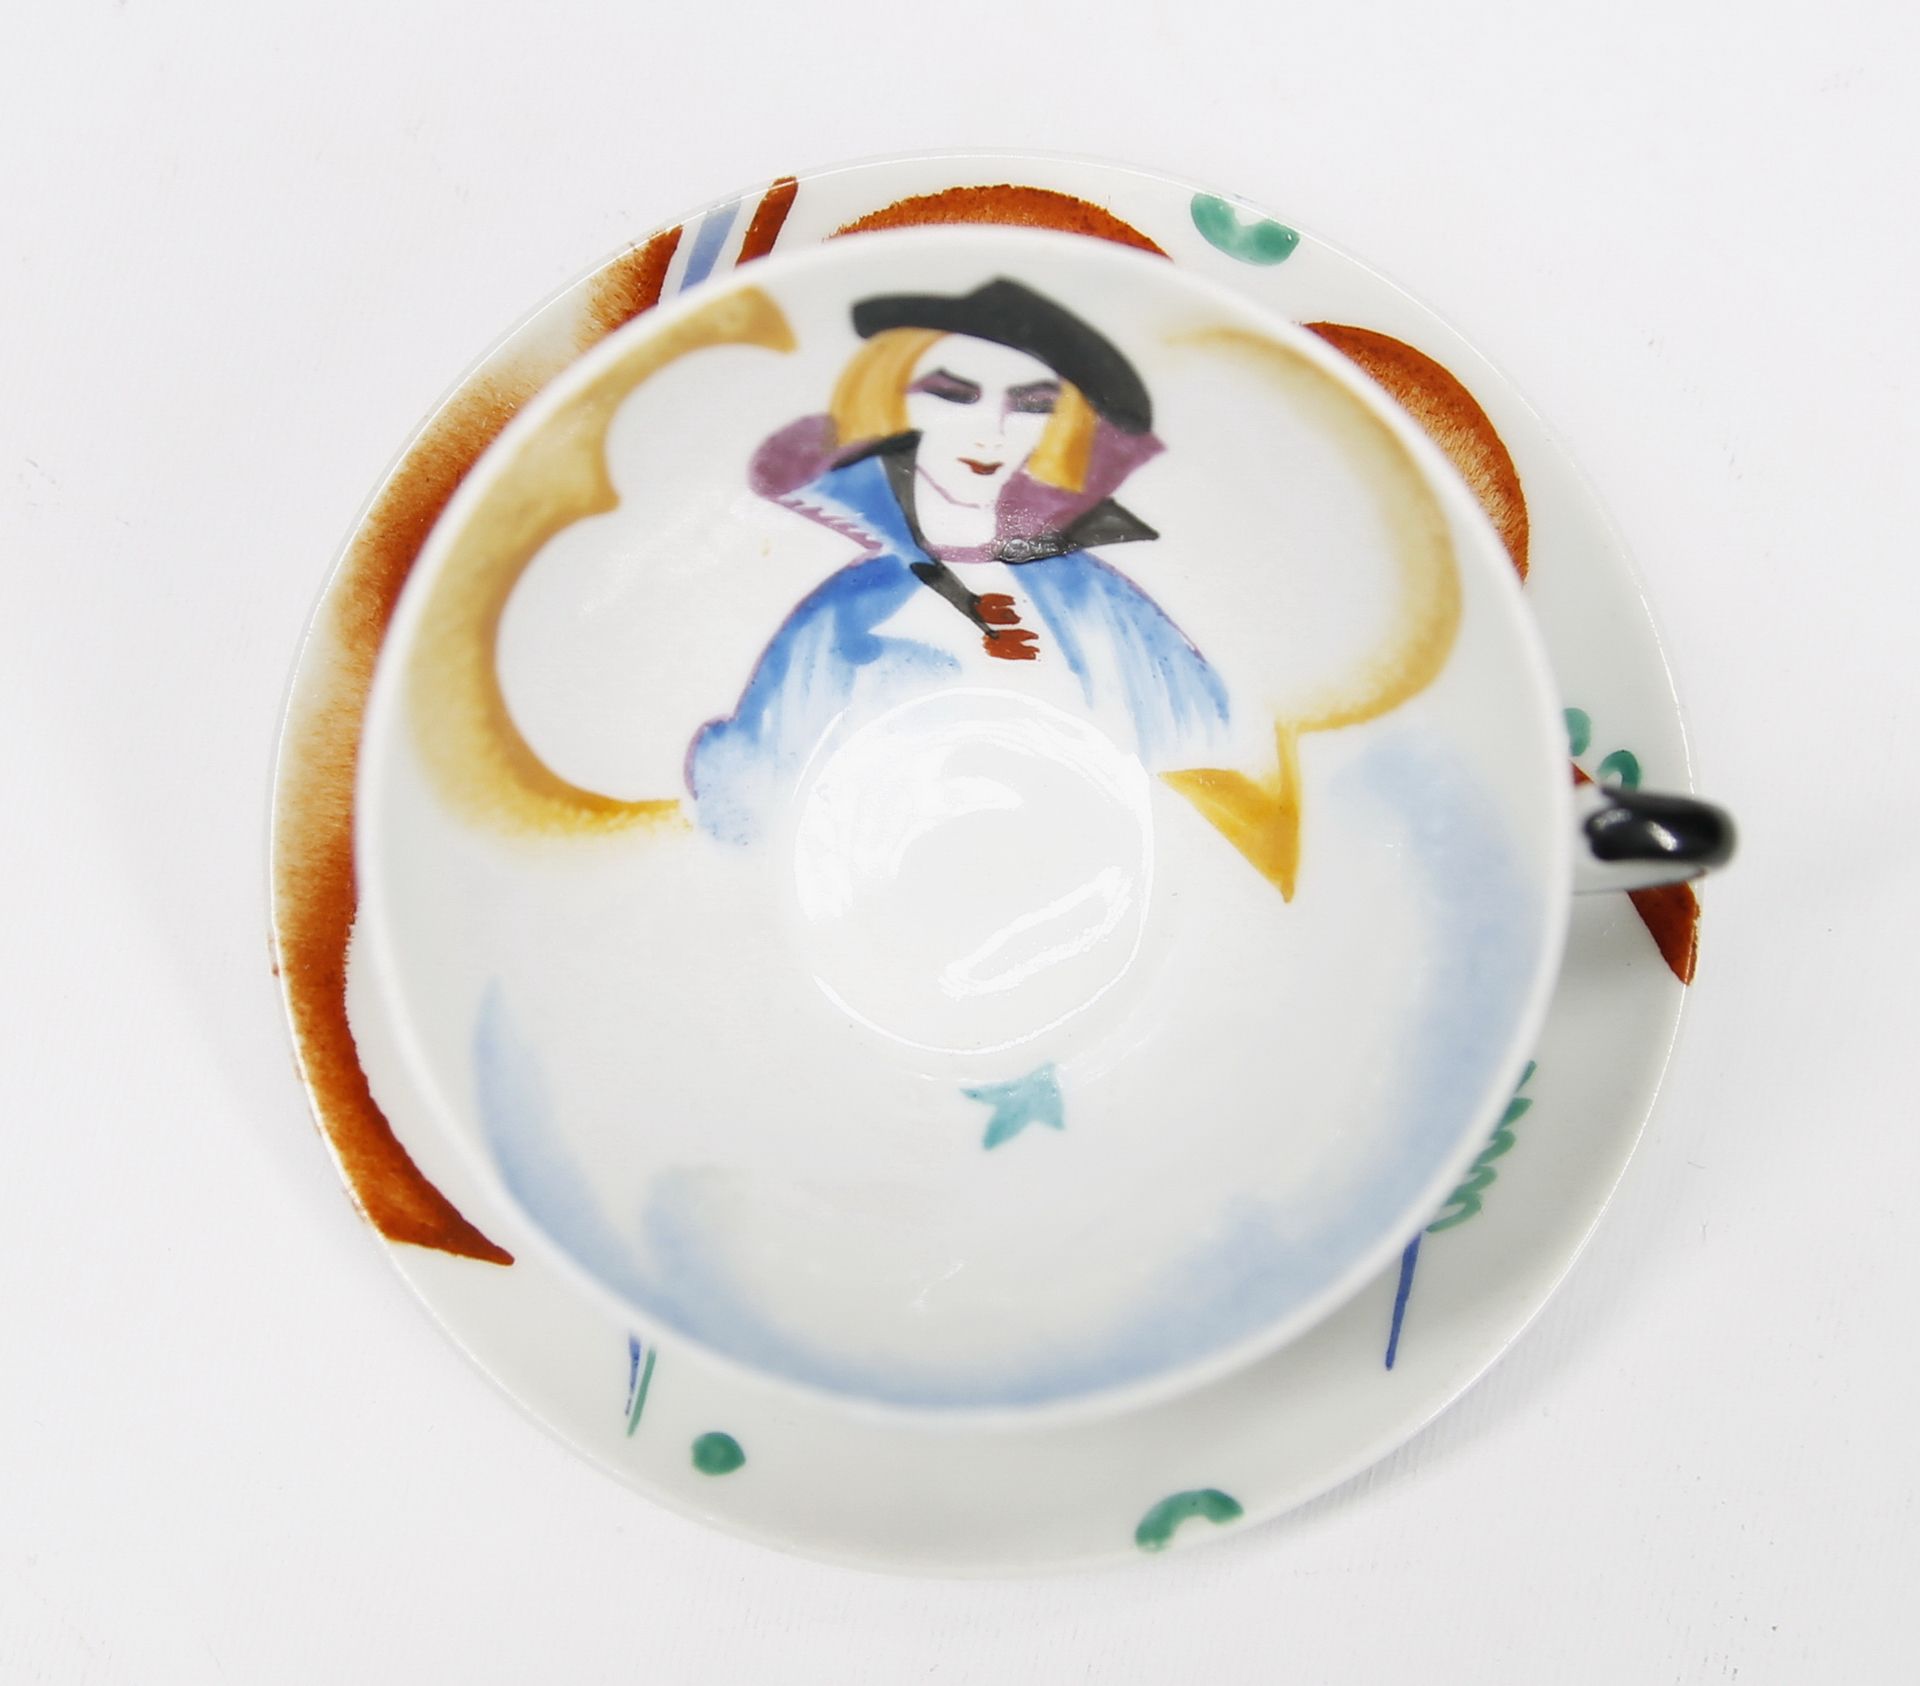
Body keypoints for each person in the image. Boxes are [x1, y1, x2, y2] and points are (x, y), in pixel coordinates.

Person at [686, 278, 1231, 844]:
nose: (991, 432)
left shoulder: (1097, 601)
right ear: (886, 396)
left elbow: (1207, 753)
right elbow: (754, 800)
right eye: (950, 395)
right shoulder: (842, 613)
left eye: (1033, 406)